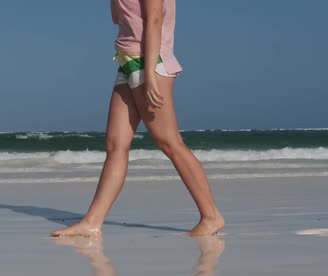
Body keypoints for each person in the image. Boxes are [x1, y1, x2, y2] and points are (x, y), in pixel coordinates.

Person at [51, 0, 224, 237]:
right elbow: (117, 17)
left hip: (149, 63)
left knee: (169, 142)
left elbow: (155, 19)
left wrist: (151, 75)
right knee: (115, 145)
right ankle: (92, 222)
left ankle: (211, 216)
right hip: (127, 62)